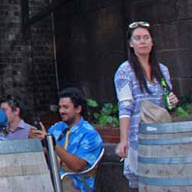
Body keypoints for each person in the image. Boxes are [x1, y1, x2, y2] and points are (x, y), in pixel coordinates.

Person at [114, 21, 179, 190]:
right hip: (138, 136)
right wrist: (123, 140)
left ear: (152, 41)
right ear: (131, 43)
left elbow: (166, 103)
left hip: (161, 135)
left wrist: (172, 101)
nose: (142, 42)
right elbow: (125, 107)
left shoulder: (162, 70)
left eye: (146, 37)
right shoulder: (125, 70)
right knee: (141, 182)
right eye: (137, 38)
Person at [30, 87, 103, 192]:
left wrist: (53, 144)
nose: (61, 111)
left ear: (78, 109)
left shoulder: (89, 134)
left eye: (65, 107)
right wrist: (35, 141)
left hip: (77, 185)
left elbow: (78, 166)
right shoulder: (57, 128)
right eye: (60, 107)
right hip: (52, 181)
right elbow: (46, 153)